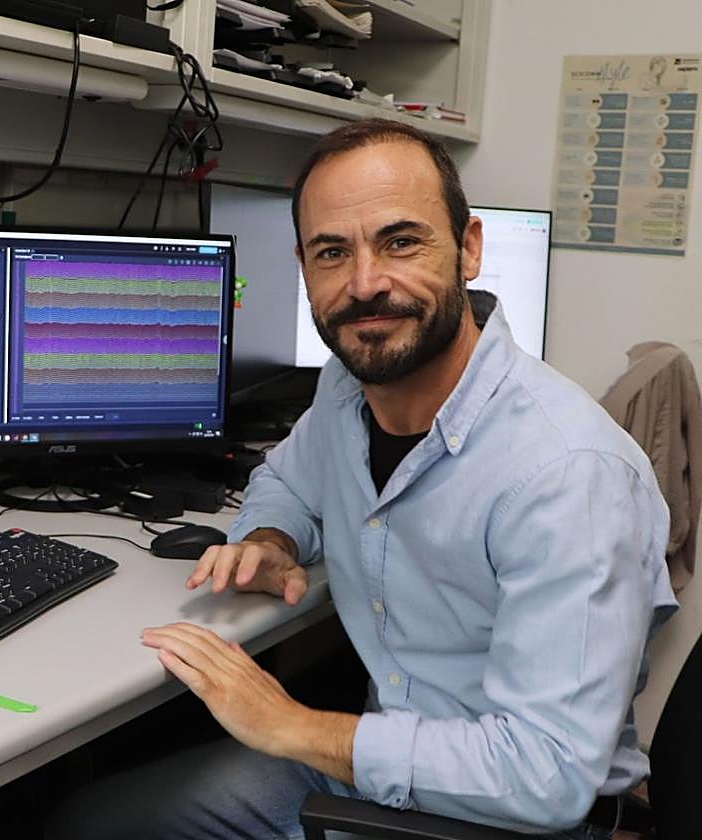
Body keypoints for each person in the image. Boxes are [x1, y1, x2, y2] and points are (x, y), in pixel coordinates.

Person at [44, 118, 678, 839]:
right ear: (303, 266)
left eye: (401, 241)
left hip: (514, 818)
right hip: (384, 772)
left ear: (468, 249)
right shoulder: (350, 391)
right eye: (332, 252)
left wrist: (290, 725)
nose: (366, 284)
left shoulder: (568, 474)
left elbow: (544, 775)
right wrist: (273, 537)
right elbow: (287, 479)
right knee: (89, 818)